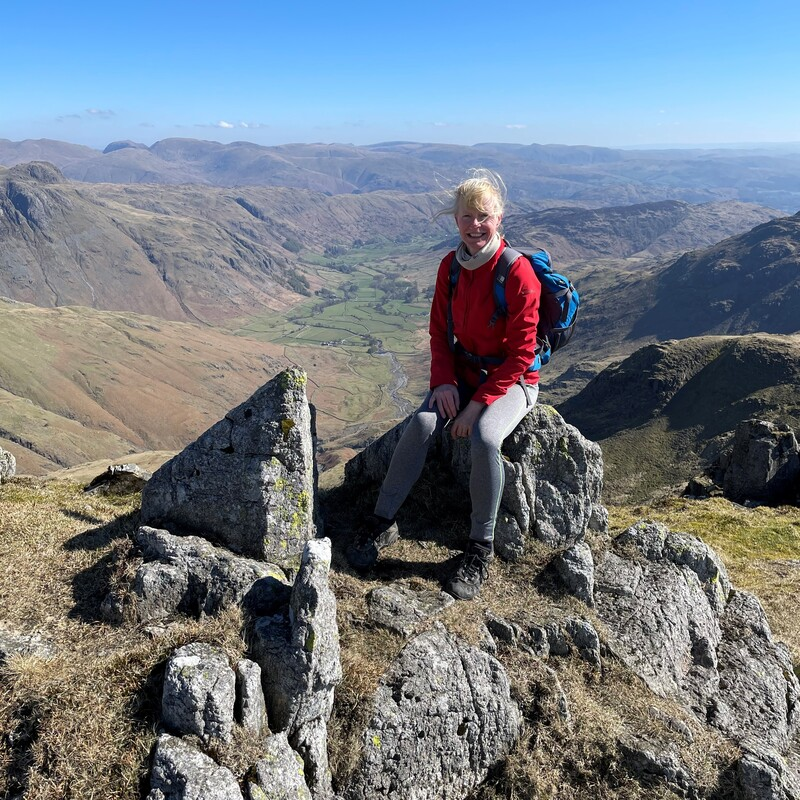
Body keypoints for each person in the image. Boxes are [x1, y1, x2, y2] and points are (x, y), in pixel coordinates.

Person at [346, 169, 541, 599]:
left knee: (486, 438)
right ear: (455, 220)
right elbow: (440, 332)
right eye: (467, 216)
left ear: (500, 217)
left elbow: (522, 355)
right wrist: (444, 382)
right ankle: (381, 522)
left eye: (483, 216)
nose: (475, 225)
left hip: (514, 381)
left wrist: (476, 407)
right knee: (421, 425)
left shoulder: (517, 274)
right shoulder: (451, 267)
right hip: (464, 375)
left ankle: (479, 547)